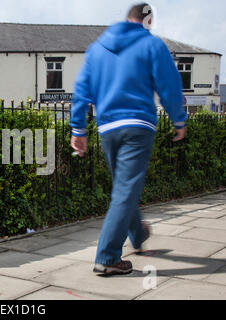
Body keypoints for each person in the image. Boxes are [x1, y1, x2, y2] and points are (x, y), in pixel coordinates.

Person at [70, 3, 187, 276]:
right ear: (146, 19)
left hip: (108, 128)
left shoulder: (96, 49)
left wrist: (78, 129)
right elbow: (170, 86)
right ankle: (108, 257)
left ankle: (137, 233)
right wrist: (179, 120)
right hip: (138, 125)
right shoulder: (152, 45)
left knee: (124, 188)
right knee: (125, 190)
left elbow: (81, 90)